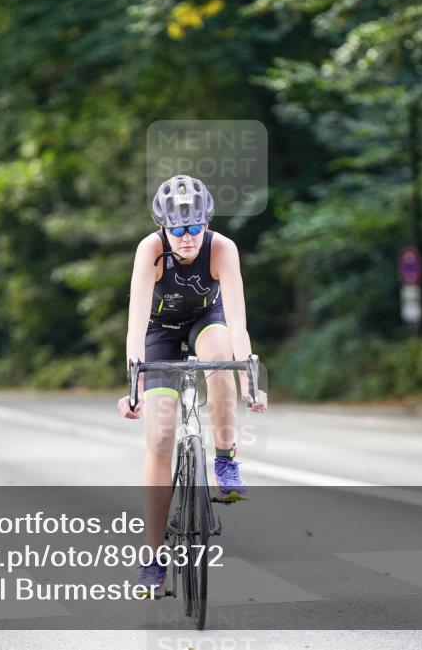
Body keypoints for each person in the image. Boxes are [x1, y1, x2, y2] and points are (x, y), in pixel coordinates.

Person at [116, 174, 267, 597]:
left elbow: (238, 323)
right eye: (177, 229)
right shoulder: (150, 250)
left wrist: (248, 381)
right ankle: (153, 557)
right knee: (161, 437)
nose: (186, 237)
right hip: (159, 332)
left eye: (195, 227)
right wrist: (134, 382)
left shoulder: (222, 249)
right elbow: (135, 323)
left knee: (220, 353)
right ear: (163, 226)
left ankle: (224, 457)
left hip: (207, 320)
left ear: (206, 223)